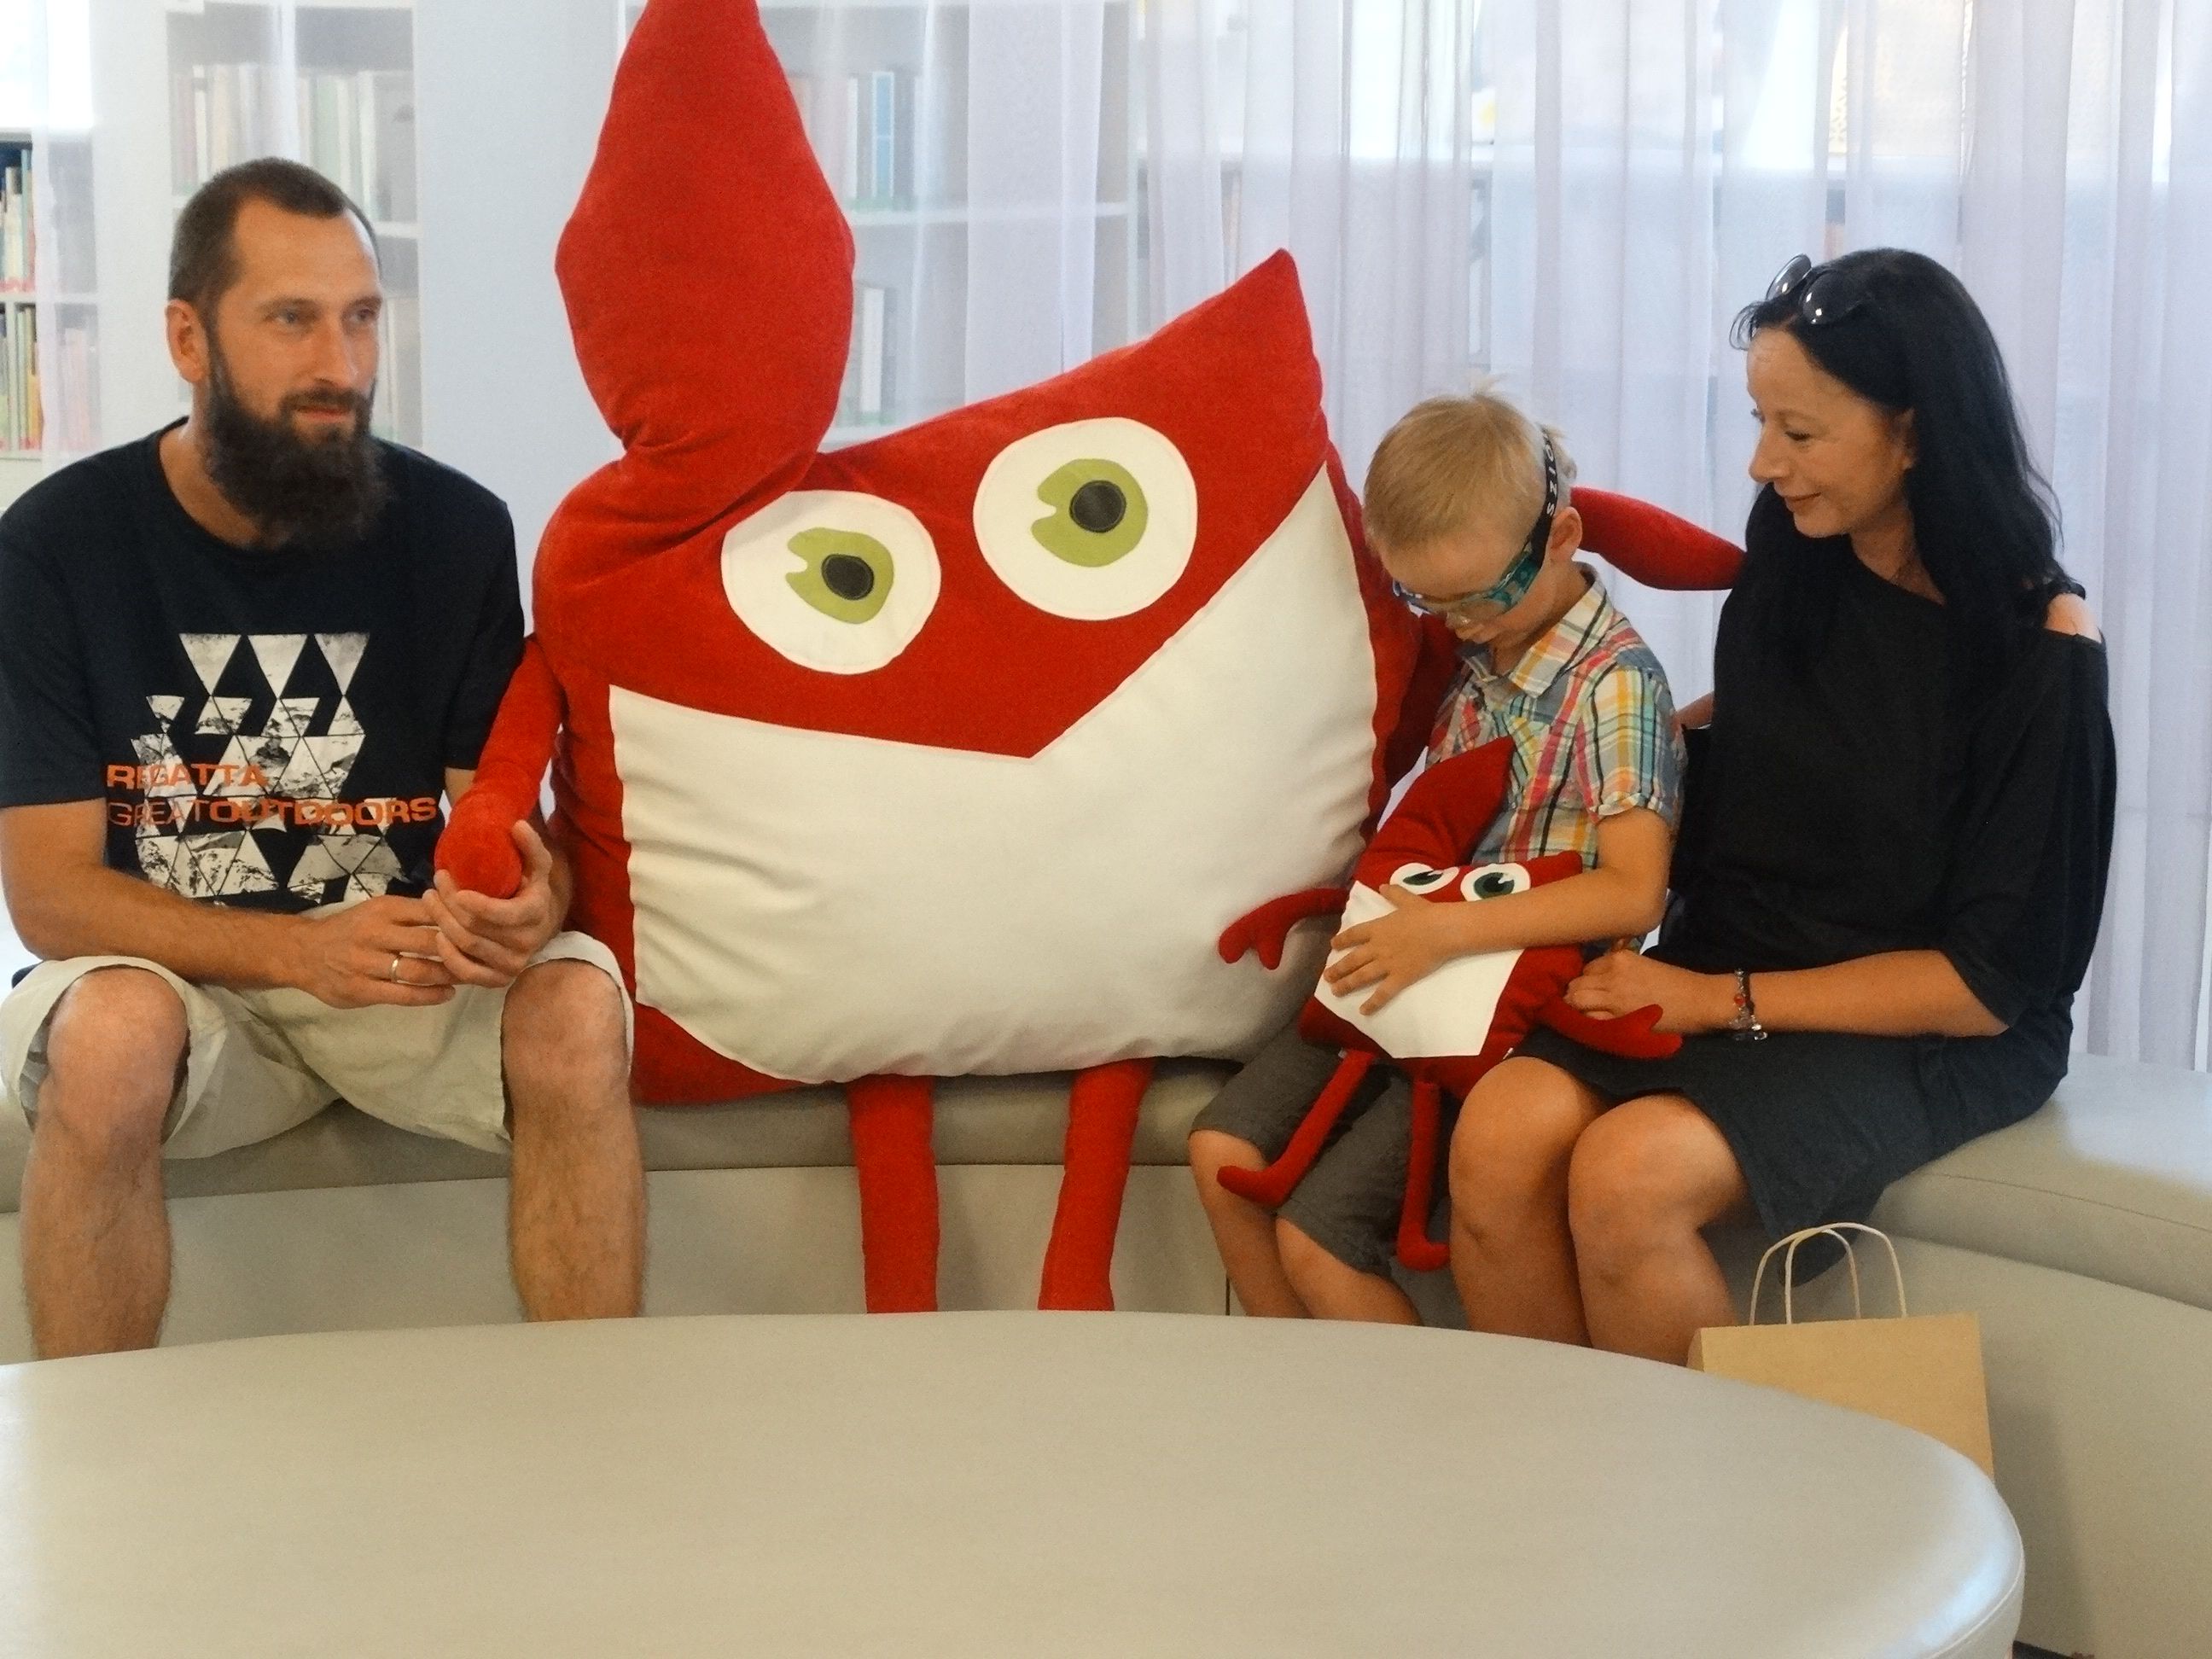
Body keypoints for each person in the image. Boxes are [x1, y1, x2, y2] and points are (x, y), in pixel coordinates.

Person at [0, 159, 644, 1359]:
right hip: (185, 986)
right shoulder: (54, 545)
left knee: (573, 1004)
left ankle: (593, 1418)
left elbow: (503, 817)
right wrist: (299, 950)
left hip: (404, 979)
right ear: (188, 339)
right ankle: (94, 1443)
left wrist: (528, 900)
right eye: (292, 319)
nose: (340, 367)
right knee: (106, 1036)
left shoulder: (457, 530)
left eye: (360, 318)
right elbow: (48, 898)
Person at [1449, 248, 2116, 1365]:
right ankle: (1554, 1463)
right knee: (1499, 1136)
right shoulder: (1799, 549)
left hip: (1919, 1020)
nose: (1766, 463)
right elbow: (1759, 722)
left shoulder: (2038, 652)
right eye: (1761, 421)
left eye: (1800, 433)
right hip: (1735, 953)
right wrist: (1599, 758)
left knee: (1629, 1177)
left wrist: (1714, 1000)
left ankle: (1720, 1485)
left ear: (1915, 433)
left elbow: (1987, 984)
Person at [1190, 386, 1685, 1323]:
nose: (1457, 624)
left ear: (1561, 536)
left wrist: (1445, 933)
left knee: (1320, 1240)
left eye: (1478, 597)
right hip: (1409, 964)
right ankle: (1287, 1387)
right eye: (1426, 598)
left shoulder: (1613, 686)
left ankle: (1415, 1416)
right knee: (1222, 1155)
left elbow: (1633, 891)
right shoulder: (1481, 653)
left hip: (1500, 1004)